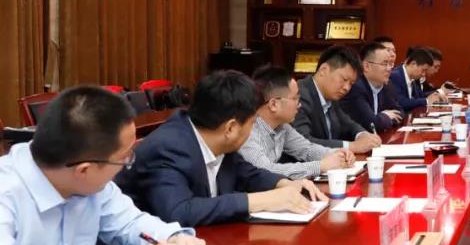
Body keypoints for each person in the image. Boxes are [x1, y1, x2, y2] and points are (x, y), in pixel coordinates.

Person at [0, 87, 206, 245]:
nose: (128, 163)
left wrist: (173, 238)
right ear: (84, 170)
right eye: (124, 158)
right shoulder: (6, 193)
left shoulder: (90, 183)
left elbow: (130, 223)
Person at [120, 71, 326, 226]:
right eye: (252, 123)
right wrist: (259, 200)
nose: (253, 129)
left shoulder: (215, 137)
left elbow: (246, 172)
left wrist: (284, 184)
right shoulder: (168, 148)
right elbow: (179, 212)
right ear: (231, 128)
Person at [240, 66, 376, 180]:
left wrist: (338, 153)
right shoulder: (248, 131)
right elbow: (265, 171)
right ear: (273, 104)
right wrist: (321, 166)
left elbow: (307, 149)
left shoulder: (282, 127)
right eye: (295, 98)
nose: (299, 104)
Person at [293, 45, 383, 152]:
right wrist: (351, 146)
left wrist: (363, 135)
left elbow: (348, 124)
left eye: (351, 83)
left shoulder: (331, 96)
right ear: (323, 70)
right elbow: (302, 143)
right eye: (344, 79)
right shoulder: (298, 95)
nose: (347, 88)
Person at [341, 42, 405, 132]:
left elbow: (400, 113)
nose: (389, 68)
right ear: (366, 66)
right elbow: (372, 124)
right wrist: (384, 117)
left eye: (390, 64)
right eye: (384, 64)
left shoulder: (386, 85)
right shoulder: (356, 87)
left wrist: (381, 118)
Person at [389, 48, 447, 112]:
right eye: (423, 70)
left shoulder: (412, 78)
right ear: (413, 64)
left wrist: (436, 94)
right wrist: (426, 101)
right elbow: (401, 103)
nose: (423, 74)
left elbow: (420, 95)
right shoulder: (395, 76)